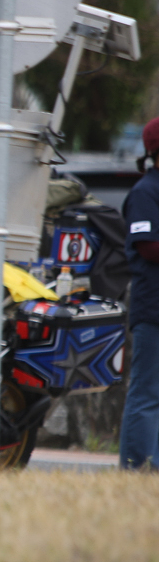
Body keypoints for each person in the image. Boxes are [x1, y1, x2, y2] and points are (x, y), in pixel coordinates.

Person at [119, 116, 159, 471]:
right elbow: (148, 247)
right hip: (153, 310)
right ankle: (135, 467)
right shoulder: (145, 192)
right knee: (146, 393)